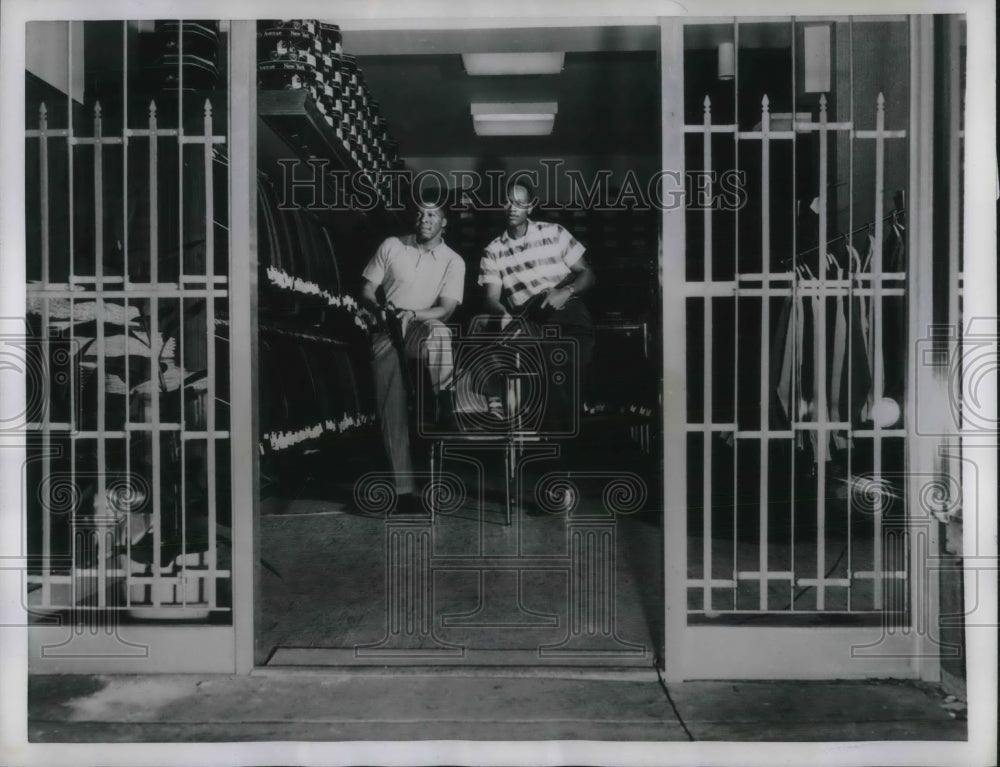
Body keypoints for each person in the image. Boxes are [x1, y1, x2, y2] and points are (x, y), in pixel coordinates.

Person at [361, 195, 465, 514]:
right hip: (387, 329)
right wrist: (378, 310)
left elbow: (445, 310)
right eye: (421, 214)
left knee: (440, 332)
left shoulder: (453, 260)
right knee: (391, 404)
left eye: (432, 216)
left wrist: (412, 315)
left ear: (444, 222)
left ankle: (445, 401)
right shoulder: (392, 245)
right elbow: (366, 288)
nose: (425, 219)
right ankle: (403, 490)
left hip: (421, 326)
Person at [477, 178, 596, 436]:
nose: (513, 207)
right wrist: (503, 314)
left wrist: (566, 291)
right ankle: (555, 439)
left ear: (530, 207)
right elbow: (491, 298)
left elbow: (587, 273)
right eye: (508, 201)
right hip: (531, 319)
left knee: (566, 365)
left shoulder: (554, 232)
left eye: (520, 202)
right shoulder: (493, 250)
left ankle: (568, 431)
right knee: (542, 358)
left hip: (570, 313)